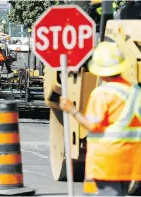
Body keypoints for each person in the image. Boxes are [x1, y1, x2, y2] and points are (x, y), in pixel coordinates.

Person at [59, 42, 141, 196]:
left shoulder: (102, 93)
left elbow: (92, 126)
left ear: (100, 71)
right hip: (129, 160)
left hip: (107, 161)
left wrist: (72, 110)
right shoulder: (135, 91)